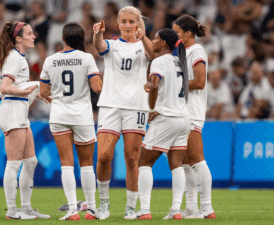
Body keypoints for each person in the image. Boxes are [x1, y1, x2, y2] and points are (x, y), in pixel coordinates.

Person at [92, 6, 154, 220]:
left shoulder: (144, 46)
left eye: (132, 21)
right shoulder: (112, 45)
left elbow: (154, 53)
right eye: (124, 21)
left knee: (131, 158)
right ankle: (104, 203)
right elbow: (99, 45)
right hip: (110, 105)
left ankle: (130, 207)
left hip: (136, 107)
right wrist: (97, 33)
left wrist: (144, 37)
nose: (128, 25)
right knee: (103, 157)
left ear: (138, 24)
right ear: (118, 24)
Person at [40, 22, 102, 221]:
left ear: (64, 38)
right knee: (86, 165)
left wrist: (56, 94)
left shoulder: (51, 60)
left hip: (59, 115)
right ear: (80, 39)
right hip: (82, 116)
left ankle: (73, 211)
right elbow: (97, 87)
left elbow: (43, 92)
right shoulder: (86, 58)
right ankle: (91, 210)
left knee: (66, 164)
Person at [0, 21, 51, 220]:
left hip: (19, 111)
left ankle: (26, 207)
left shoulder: (18, 57)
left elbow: (18, 84)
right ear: (18, 38)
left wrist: (35, 89)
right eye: (29, 33)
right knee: (14, 164)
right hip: (12, 111)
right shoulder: (14, 58)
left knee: (31, 161)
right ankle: (12, 211)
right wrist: (27, 90)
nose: (33, 36)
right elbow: (5, 88)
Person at [136, 28, 190, 220]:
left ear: (164, 44)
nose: (153, 41)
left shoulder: (159, 61)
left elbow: (157, 85)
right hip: (183, 117)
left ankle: (144, 210)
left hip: (166, 117)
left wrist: (151, 109)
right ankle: (176, 210)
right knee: (176, 164)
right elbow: (167, 86)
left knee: (144, 162)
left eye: (156, 39)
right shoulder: (181, 61)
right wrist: (151, 86)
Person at [172, 14, 215, 219]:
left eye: (177, 32)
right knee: (186, 163)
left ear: (188, 33)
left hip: (192, 111)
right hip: (182, 111)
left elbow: (200, 82)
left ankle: (207, 208)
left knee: (197, 160)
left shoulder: (197, 50)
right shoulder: (183, 51)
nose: (174, 35)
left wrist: (173, 85)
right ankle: (191, 208)